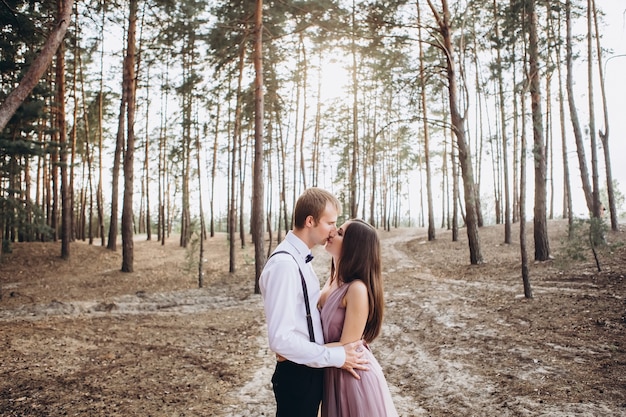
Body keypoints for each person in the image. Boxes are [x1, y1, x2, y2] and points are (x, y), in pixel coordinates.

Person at [259, 188, 368, 417]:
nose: (332, 230)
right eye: (330, 223)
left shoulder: (301, 260)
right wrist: (336, 356)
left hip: (309, 370)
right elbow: (281, 338)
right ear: (310, 221)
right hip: (297, 374)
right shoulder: (285, 265)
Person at [319, 219, 398, 417]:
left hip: (353, 379)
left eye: (339, 233)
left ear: (354, 247)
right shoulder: (332, 280)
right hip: (331, 371)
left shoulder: (356, 289)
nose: (331, 233)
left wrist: (299, 352)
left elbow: (347, 348)